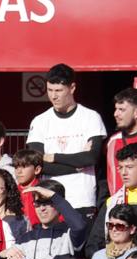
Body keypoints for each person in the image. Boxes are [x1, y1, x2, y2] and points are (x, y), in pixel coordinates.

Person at [25, 63, 107, 214]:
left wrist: (54, 157)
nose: (53, 96)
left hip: (82, 200)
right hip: (49, 201)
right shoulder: (40, 121)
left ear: (72, 88)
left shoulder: (90, 117)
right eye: (50, 90)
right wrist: (77, 165)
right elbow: (37, 164)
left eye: (58, 90)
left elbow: (91, 158)